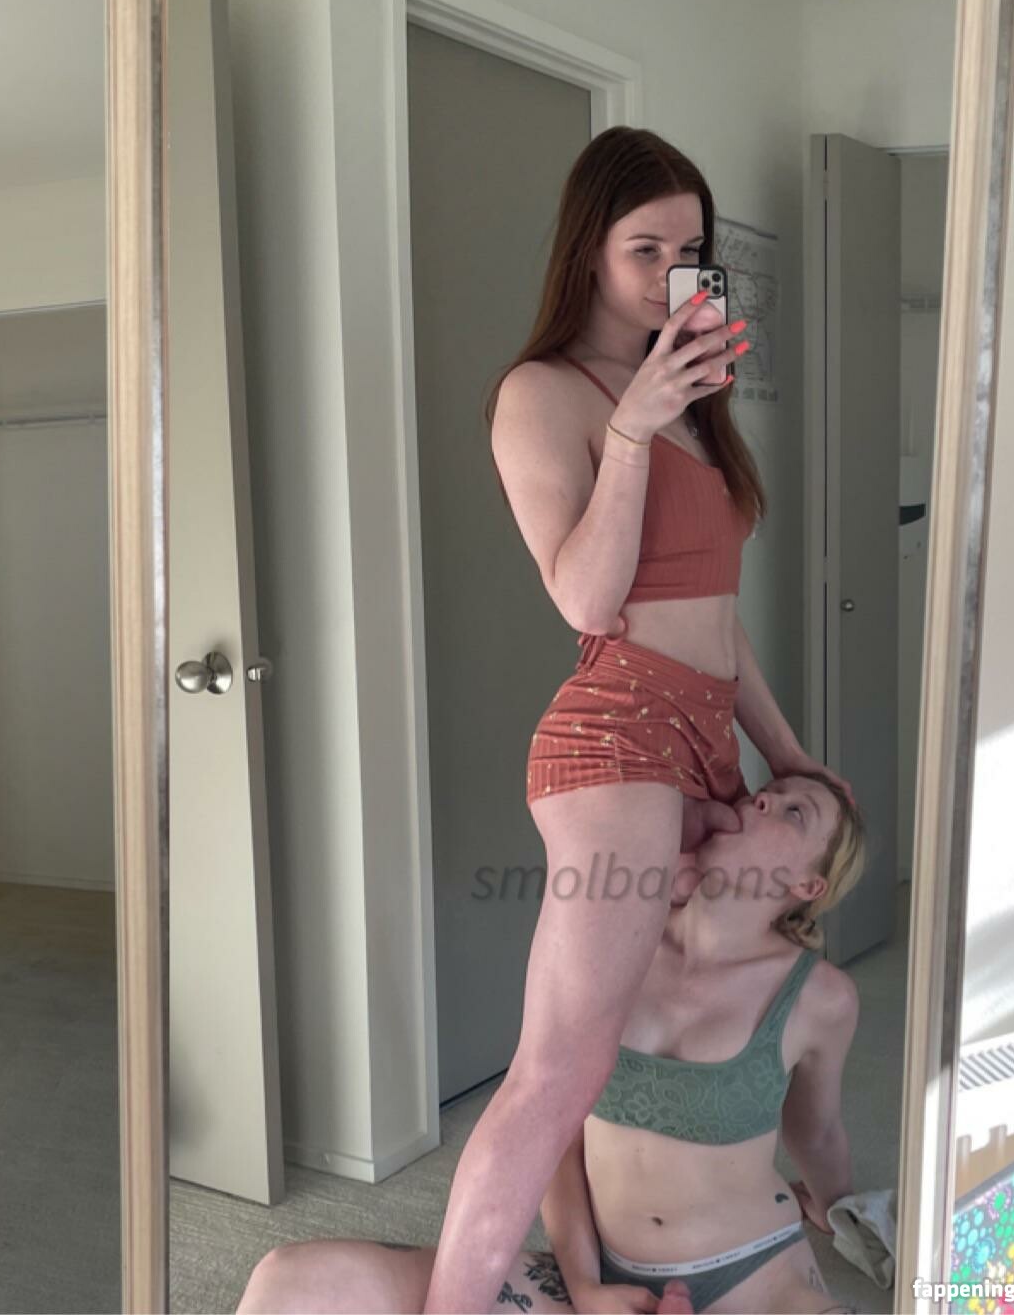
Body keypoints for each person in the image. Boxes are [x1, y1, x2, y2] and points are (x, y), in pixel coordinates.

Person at [423, 128, 856, 1309]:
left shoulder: (693, 392)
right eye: (643, 248)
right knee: (559, 1065)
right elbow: (584, 597)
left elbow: (713, 613)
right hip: (615, 734)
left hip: (704, 736)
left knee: (640, 1027)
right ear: (588, 252)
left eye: (690, 248)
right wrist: (630, 428)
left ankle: (648, 1241)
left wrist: (788, 750)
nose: (671, 270)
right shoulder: (542, 393)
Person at [238, 774, 866, 1315]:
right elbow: (550, 1135)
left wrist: (843, 1208)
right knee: (288, 1282)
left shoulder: (820, 997)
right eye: (766, 792)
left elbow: (817, 1133)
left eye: (795, 813)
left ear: (811, 885)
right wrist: (585, 1287)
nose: (762, 801)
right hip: (599, 1277)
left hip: (753, 1277)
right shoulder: (606, 943)